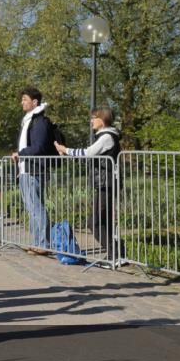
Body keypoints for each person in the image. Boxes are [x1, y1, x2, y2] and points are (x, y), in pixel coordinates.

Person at [55, 107, 122, 261]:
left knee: (95, 222)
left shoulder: (107, 137)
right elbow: (87, 156)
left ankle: (116, 255)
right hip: (105, 184)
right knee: (102, 221)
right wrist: (67, 153)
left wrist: (66, 150)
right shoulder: (104, 136)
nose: (91, 121)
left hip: (108, 184)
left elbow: (88, 152)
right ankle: (116, 253)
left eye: (94, 118)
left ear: (102, 119)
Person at [12, 87, 56, 248]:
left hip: (35, 170)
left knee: (36, 207)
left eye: (24, 99)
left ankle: (43, 244)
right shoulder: (29, 120)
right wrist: (20, 168)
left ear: (34, 102)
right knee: (32, 208)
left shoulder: (39, 122)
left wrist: (20, 154)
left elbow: (39, 147)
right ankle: (37, 242)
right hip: (26, 170)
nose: (21, 102)